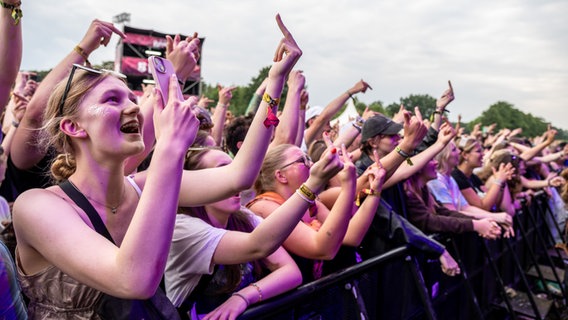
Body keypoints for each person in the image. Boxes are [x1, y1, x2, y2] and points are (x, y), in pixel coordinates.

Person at [13, 13, 305, 318]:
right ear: (73, 127)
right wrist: (169, 148)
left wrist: (275, 83)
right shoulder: (36, 207)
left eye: (131, 98)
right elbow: (132, 280)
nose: (132, 108)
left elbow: (241, 175)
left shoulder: (141, 186)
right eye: (112, 100)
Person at [166, 137, 342, 319]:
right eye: (222, 171)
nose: (237, 180)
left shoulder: (243, 216)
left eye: (235, 169)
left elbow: (290, 272)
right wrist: (312, 184)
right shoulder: (182, 228)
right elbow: (259, 245)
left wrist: (243, 297)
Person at [248, 142, 386, 283]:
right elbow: (323, 249)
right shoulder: (264, 206)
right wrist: (347, 186)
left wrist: (375, 191)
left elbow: (351, 236)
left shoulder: (311, 202)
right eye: (302, 160)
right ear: (281, 176)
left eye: (309, 158)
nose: (312, 164)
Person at [426, 140, 514, 237]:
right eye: (454, 150)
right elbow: (452, 213)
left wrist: (495, 218)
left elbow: (466, 207)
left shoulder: (450, 178)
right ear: (444, 155)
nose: (459, 152)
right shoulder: (437, 180)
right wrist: (492, 217)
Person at [404, 158, 502, 239]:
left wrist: (479, 222)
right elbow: (430, 221)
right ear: (418, 167)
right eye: (430, 159)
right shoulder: (409, 192)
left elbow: (444, 212)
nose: (436, 162)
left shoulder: (424, 189)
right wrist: (475, 225)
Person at [452, 136, 516, 215]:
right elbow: (483, 207)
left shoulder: (473, 177)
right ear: (465, 155)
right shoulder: (457, 177)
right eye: (478, 151)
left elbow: (493, 203)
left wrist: (502, 184)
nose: (483, 154)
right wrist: (498, 181)